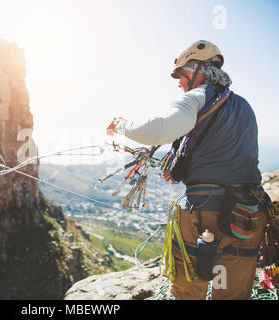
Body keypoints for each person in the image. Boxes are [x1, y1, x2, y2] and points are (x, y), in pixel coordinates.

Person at [107, 40, 268, 300]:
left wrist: (122, 125)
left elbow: (161, 128)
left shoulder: (197, 96)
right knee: (233, 294)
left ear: (197, 70)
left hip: (204, 213)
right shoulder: (245, 107)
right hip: (248, 214)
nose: (179, 83)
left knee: (188, 291)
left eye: (181, 75)